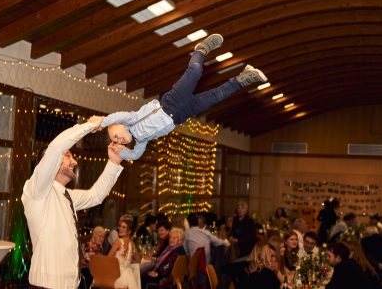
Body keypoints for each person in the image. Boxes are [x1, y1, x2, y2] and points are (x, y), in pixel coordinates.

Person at [100, 34, 268, 160]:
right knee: (216, 96)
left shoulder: (131, 120)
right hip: (180, 116)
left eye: (116, 135)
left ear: (121, 125)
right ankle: (243, 78)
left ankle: (200, 50)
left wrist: (100, 123)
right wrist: (121, 151)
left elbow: (116, 116)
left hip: (170, 103)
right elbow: (136, 155)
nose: (119, 140)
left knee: (195, 72)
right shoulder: (141, 140)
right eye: (117, 141)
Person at [21, 116, 124, 289]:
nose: (75, 162)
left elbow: (95, 196)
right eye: (69, 156)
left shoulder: (66, 196)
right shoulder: (36, 191)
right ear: (49, 161)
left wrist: (113, 163)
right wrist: (89, 125)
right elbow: (55, 148)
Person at [108, 216, 140, 289]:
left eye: (123, 227)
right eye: (120, 226)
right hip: (128, 276)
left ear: (129, 231)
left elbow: (108, 259)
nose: (120, 229)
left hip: (116, 274)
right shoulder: (132, 244)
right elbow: (138, 260)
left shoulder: (118, 242)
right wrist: (127, 262)